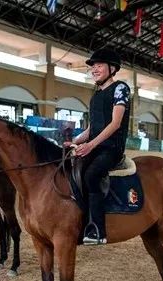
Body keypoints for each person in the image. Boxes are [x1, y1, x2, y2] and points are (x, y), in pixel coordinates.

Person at [68, 47, 130, 245]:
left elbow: (115, 123)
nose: (94, 69)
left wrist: (91, 145)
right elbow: (90, 129)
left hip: (111, 148)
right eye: (93, 66)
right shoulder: (95, 95)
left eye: (99, 65)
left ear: (112, 68)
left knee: (91, 174)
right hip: (94, 146)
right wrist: (75, 141)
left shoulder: (120, 88)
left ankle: (97, 229)